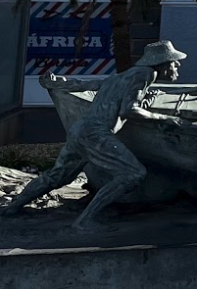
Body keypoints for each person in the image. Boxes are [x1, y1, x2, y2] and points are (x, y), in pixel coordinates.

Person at [1, 40, 186, 231]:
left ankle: (12, 208)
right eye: (174, 62)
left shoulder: (126, 75)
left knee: (56, 177)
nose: (178, 65)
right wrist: (166, 119)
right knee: (133, 174)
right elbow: (129, 110)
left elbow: (91, 85)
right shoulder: (146, 74)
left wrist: (63, 83)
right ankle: (84, 221)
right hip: (95, 135)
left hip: (80, 130)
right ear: (162, 63)